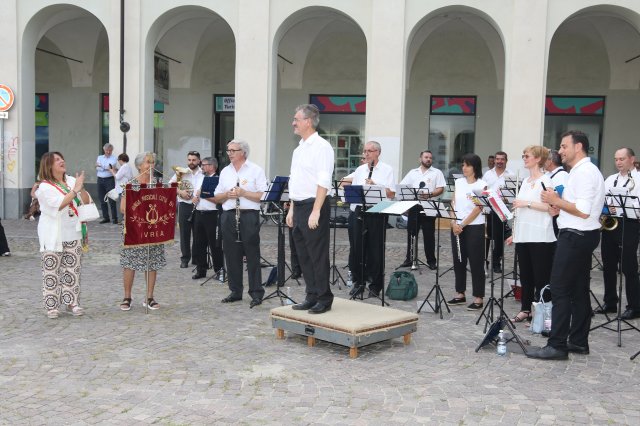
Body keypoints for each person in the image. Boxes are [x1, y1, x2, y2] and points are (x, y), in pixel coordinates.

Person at [528, 130, 605, 360]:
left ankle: (557, 345)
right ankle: (579, 341)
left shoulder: (584, 172)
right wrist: (558, 206)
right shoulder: (581, 171)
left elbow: (582, 211)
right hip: (581, 234)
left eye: (563, 146)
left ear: (578, 147)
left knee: (560, 289)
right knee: (578, 290)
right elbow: (577, 206)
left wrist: (555, 201)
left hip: (576, 235)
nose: (559, 151)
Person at [286, 104, 335, 314]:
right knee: (303, 254)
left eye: (296, 119)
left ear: (308, 121)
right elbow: (295, 181)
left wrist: (316, 210)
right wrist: (291, 209)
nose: (293, 123)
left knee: (317, 254)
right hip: (299, 206)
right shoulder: (299, 149)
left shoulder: (322, 147)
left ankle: (324, 297)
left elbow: (323, 181)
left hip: (315, 205)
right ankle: (311, 294)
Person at [35, 152, 90, 318]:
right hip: (53, 235)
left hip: (73, 232)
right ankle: (52, 306)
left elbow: (86, 202)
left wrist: (82, 188)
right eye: (57, 160)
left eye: (62, 158)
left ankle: (72, 302)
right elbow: (58, 204)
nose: (62, 161)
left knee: (72, 270)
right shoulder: (44, 187)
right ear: (49, 166)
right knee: (51, 270)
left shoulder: (72, 181)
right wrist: (75, 190)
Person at [214, 140, 268, 308]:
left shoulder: (255, 170)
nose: (229, 153)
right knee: (231, 254)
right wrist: (226, 195)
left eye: (233, 150)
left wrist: (244, 193)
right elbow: (217, 196)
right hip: (229, 215)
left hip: (248, 215)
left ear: (243, 152)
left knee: (252, 254)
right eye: (228, 150)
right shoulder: (225, 171)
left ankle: (256, 292)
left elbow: (263, 195)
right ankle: (235, 291)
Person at [505, 146, 556, 322]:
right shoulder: (525, 181)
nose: (524, 158)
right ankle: (525, 309)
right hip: (524, 235)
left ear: (538, 159)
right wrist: (515, 233)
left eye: (527, 156)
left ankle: (541, 313)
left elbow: (551, 208)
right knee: (525, 276)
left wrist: (526, 203)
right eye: (523, 155)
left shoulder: (546, 181)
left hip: (541, 236)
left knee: (541, 277)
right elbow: (520, 211)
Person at [342, 141, 396, 298]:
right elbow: (353, 190)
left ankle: (375, 285)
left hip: (376, 212)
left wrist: (376, 185)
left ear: (378, 152)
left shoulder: (387, 170)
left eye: (369, 151)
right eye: (364, 151)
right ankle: (359, 282)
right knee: (357, 250)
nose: (366, 154)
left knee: (375, 251)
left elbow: (391, 193)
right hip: (358, 211)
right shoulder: (360, 170)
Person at [596, 148, 640, 319]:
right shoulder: (611, 179)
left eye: (622, 159)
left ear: (631, 159)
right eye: (616, 159)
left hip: (629, 224)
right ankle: (610, 302)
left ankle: (635, 306)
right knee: (608, 265)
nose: (619, 162)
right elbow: (602, 200)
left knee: (629, 267)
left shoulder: (638, 179)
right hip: (610, 224)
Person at [119, 152, 166, 311]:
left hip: (153, 228)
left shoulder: (158, 183)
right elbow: (123, 208)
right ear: (139, 166)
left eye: (152, 162)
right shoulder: (131, 183)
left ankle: (149, 297)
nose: (151, 165)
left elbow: (166, 204)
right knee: (129, 263)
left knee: (151, 263)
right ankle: (127, 297)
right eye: (147, 162)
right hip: (134, 229)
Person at [447, 153, 487, 311]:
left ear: (474, 167)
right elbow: (453, 203)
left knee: (476, 262)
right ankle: (460, 293)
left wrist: (462, 224)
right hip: (456, 225)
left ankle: (478, 296)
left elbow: (479, 208)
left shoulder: (482, 184)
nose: (463, 168)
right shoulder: (459, 182)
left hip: (474, 226)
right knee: (459, 260)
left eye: (467, 165)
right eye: (463, 165)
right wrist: (453, 222)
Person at [397, 150, 446, 270]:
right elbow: (402, 187)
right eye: (426, 157)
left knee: (429, 235)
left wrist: (430, 194)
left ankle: (431, 261)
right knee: (411, 234)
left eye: (430, 157)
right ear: (420, 159)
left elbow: (440, 188)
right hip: (414, 206)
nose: (428, 159)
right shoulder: (413, 173)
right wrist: (405, 205)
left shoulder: (437, 172)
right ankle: (410, 259)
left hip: (429, 206)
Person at [191, 157, 225, 280]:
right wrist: (195, 197)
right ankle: (201, 269)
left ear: (211, 166)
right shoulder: (201, 178)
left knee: (214, 244)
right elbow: (197, 193)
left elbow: (218, 199)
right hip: (199, 212)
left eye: (204, 165)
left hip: (212, 214)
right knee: (199, 243)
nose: (202, 167)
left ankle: (219, 270)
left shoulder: (218, 179)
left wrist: (204, 195)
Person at [169, 151, 202, 268]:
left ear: (198, 160)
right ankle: (185, 258)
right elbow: (171, 185)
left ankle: (196, 258)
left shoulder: (203, 173)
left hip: (198, 206)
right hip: (184, 205)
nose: (191, 162)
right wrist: (180, 192)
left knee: (198, 233)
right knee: (184, 233)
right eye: (189, 160)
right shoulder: (181, 172)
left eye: (193, 160)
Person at [482, 151, 513, 273]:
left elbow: (513, 193)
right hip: (489, 209)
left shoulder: (511, 174)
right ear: (494, 160)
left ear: (506, 161)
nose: (499, 161)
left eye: (502, 159)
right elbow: (483, 190)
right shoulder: (488, 174)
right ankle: (485, 260)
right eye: (498, 159)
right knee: (487, 237)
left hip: (502, 209)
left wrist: (507, 198)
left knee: (499, 238)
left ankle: (496, 262)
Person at [544, 149, 569, 237]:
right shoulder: (547, 174)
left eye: (544, 159)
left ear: (550, 161)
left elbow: (563, 197)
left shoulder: (562, 175)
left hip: (555, 216)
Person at [95, 143, 118, 224]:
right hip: (100, 180)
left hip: (109, 180)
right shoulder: (99, 157)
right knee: (102, 199)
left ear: (112, 151)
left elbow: (110, 167)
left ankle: (114, 218)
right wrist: (104, 167)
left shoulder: (114, 158)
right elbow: (97, 167)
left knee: (112, 199)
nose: (108, 152)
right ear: (104, 150)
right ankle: (106, 217)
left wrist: (101, 166)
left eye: (110, 150)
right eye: (107, 150)